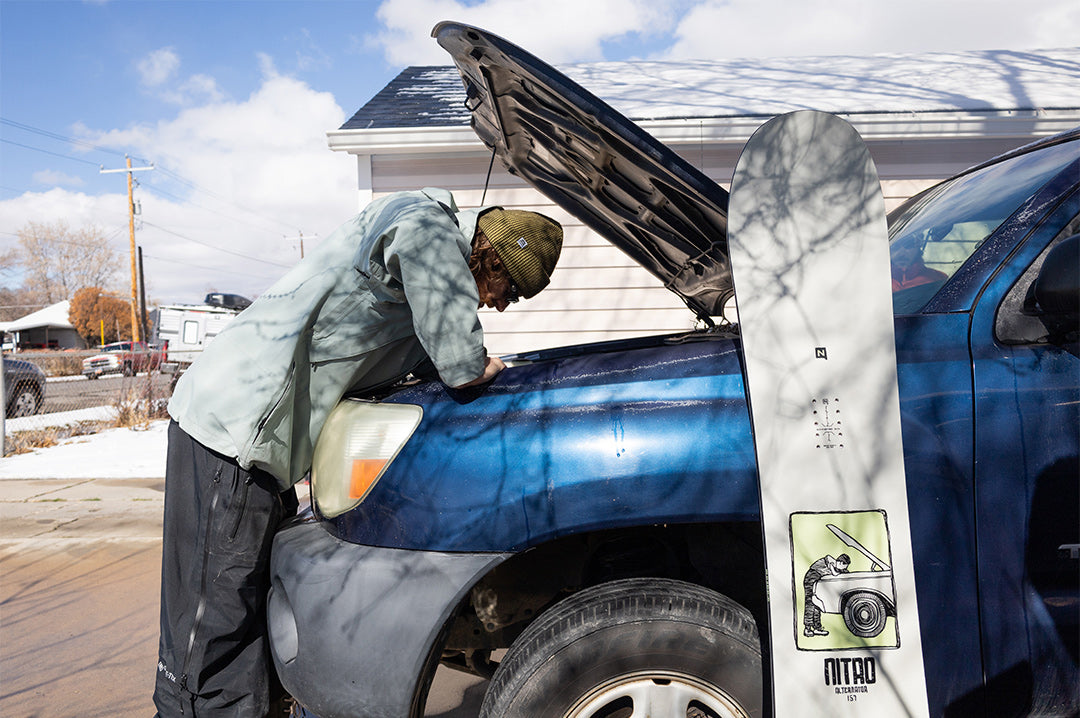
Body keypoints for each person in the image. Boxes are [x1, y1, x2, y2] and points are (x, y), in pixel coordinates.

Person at [152, 188, 563, 717]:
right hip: (229, 434)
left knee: (244, 609)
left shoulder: (415, 283)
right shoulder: (426, 226)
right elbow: (454, 343)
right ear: (489, 255)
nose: (502, 304)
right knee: (211, 626)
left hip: (260, 447)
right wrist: (468, 361)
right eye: (509, 287)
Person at [802, 553, 851, 637]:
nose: (845, 569)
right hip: (811, 578)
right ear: (840, 563)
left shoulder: (837, 566)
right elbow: (835, 574)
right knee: (810, 603)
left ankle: (817, 627)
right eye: (844, 566)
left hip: (819, 581)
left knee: (817, 604)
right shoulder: (830, 561)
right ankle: (807, 628)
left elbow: (844, 573)